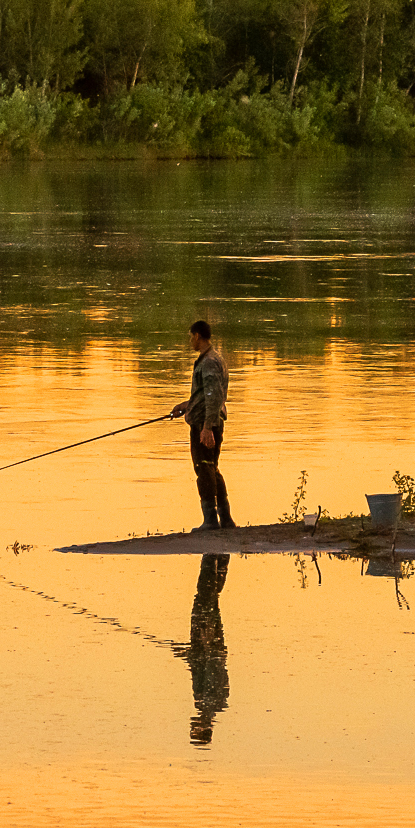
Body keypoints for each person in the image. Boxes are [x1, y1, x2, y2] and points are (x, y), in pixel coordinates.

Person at [172, 318, 234, 530]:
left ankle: (211, 521)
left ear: (198, 336)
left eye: (191, 337)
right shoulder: (214, 358)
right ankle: (225, 519)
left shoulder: (208, 362)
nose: (190, 341)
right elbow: (206, 394)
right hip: (207, 419)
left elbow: (214, 396)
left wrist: (207, 427)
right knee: (211, 467)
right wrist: (185, 405)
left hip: (205, 424)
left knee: (204, 468)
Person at [183, 554, 231, 747]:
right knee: (206, 597)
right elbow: (214, 669)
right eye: (196, 728)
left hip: (205, 644)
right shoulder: (213, 702)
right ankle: (215, 557)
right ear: (204, 727)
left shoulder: (206, 703)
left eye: (193, 727)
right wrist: (207, 643)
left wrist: (191, 655)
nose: (193, 723)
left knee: (206, 597)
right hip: (208, 643)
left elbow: (201, 671)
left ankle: (216, 557)